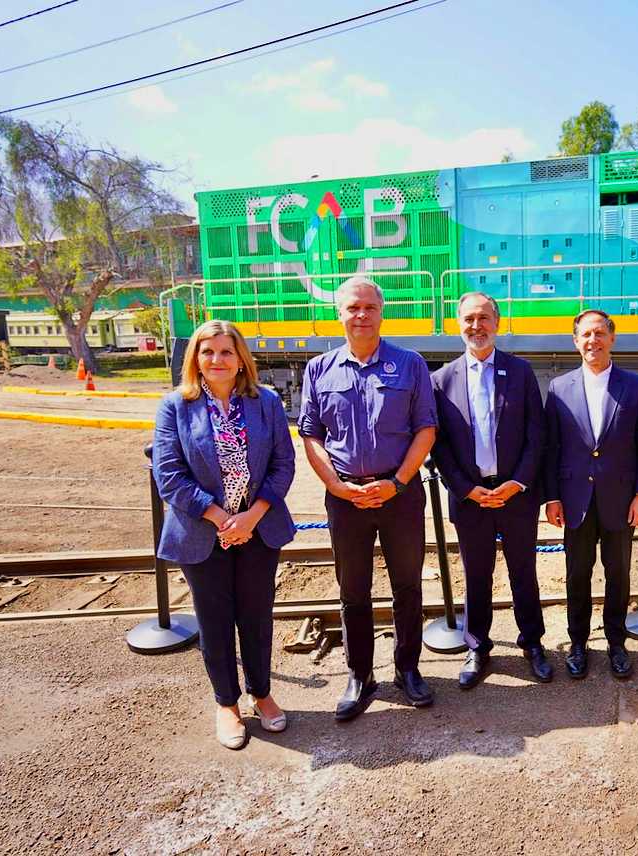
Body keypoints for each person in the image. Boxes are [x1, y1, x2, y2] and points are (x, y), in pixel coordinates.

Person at [298, 276, 438, 720]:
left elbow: (426, 430)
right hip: (345, 497)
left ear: (381, 312)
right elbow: (311, 436)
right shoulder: (318, 370)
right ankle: (360, 675)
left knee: (408, 586)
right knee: (353, 590)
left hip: (400, 493)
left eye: (369, 308)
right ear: (339, 313)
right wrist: (338, 487)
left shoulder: (410, 364)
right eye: (352, 308)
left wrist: (397, 482)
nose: (361, 315)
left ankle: (408, 669)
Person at [152, 320, 296, 750]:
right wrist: (220, 517)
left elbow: (283, 464)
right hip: (201, 531)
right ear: (195, 358)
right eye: (207, 351)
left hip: (258, 528)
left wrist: (252, 516)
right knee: (214, 623)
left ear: (240, 360)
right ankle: (226, 704)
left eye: (226, 352)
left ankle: (262, 694)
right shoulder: (175, 406)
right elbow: (169, 476)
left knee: (256, 617)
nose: (217, 359)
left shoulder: (265, 402)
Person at [431, 292, 552, 689]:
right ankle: (478, 647)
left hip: (516, 493)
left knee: (523, 571)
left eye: (484, 318)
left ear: (497, 323)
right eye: (468, 319)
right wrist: (466, 489)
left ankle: (532, 643)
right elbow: (440, 445)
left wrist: (518, 482)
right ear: (458, 324)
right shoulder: (441, 380)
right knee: (476, 574)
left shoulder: (520, 372)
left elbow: (537, 434)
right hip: (471, 498)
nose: (476, 326)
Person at [544, 309, 638, 679]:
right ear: (575, 342)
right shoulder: (559, 388)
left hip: (621, 500)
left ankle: (616, 641)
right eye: (585, 335)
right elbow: (553, 449)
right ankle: (578, 642)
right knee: (577, 573)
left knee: (618, 573)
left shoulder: (637, 386)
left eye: (599, 333)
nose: (592, 341)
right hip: (575, 500)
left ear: (612, 338)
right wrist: (552, 497)